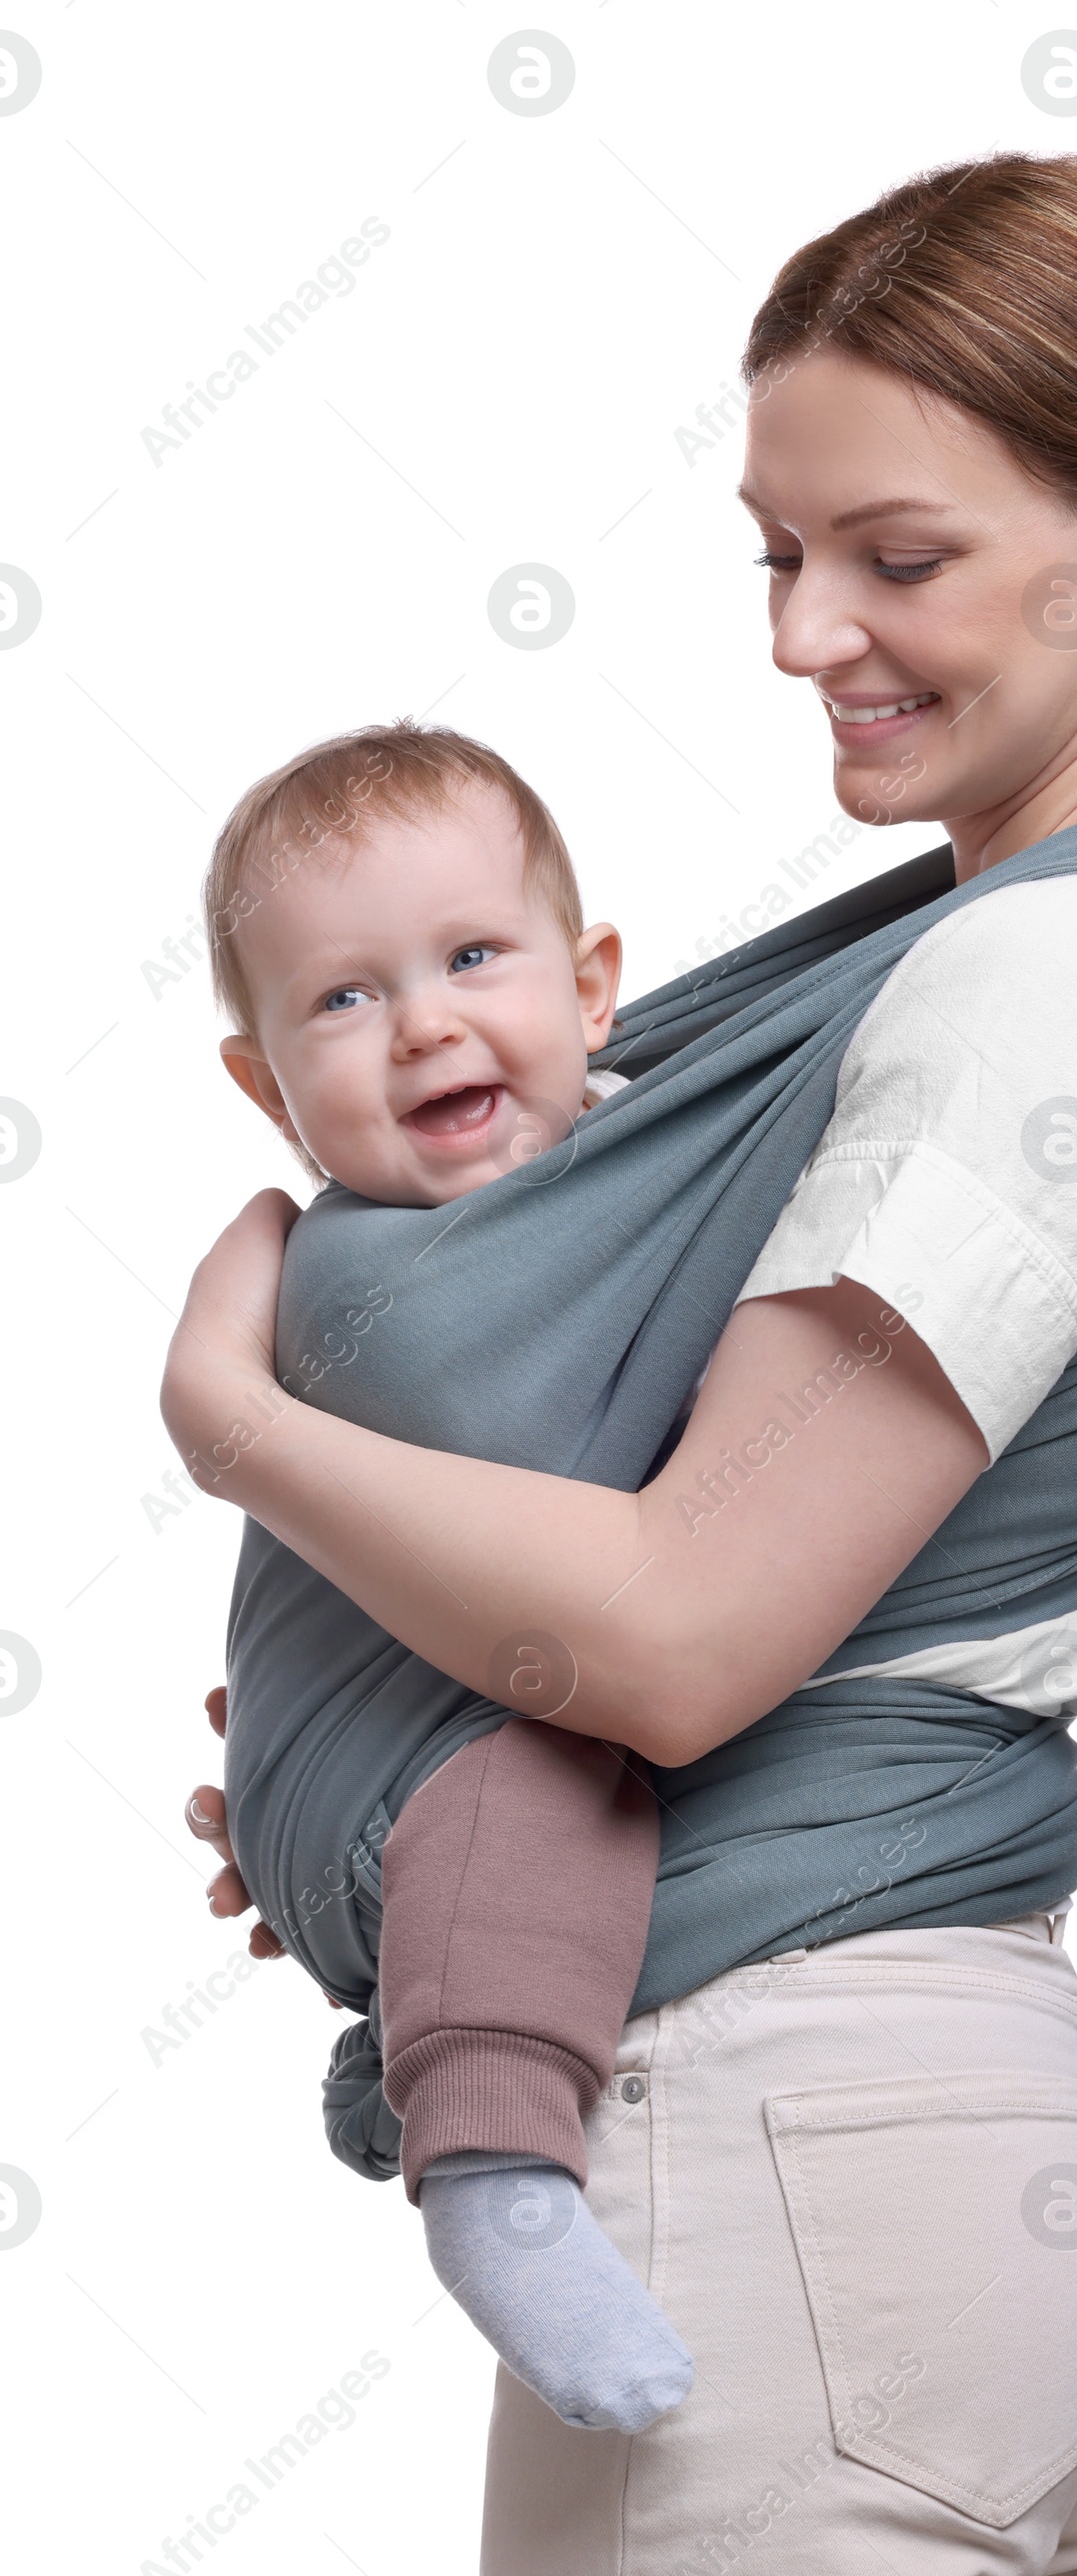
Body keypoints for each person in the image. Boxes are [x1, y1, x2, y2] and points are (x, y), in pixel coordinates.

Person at [169, 152, 1077, 2576]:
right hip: (923, 2183)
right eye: (774, 554)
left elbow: (673, 1635)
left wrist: (248, 1424)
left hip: (774, 2158)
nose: (804, 639)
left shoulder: (1071, 966)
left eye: (892, 555)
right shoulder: (1073, 930)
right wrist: (365, 1766)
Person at [193, 719, 696, 2432]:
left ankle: (397, 2063)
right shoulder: (368, 1272)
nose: (422, 1023)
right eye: (340, 999)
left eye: (474, 956)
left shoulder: (637, 1158)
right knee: (551, 1773)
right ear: (265, 1087)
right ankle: (488, 2174)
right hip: (408, 1771)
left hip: (356, 1780)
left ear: (595, 984)